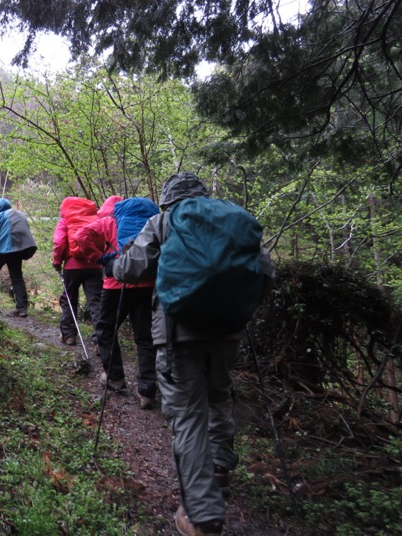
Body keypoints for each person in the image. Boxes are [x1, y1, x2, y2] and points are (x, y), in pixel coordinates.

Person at [110, 172, 275, 536]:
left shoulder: (163, 221)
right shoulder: (233, 219)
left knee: (187, 416)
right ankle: (219, 470)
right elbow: (264, 272)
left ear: (168, 199)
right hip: (227, 331)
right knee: (218, 398)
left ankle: (201, 515)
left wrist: (112, 264)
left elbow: (132, 267)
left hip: (177, 333)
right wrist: (240, 312)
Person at [75, 195, 160, 409]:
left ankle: (115, 378)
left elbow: (81, 235)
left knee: (106, 329)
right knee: (145, 337)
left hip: (116, 285)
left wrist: (100, 258)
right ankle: (147, 391)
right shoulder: (151, 222)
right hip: (148, 284)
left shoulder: (110, 221)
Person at [52, 197, 103, 345]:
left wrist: (57, 261)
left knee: (69, 299)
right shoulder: (96, 219)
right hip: (95, 265)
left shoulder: (66, 220)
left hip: (72, 266)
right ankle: (101, 341)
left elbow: (59, 242)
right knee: (96, 303)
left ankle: (69, 335)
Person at [0, 197, 37, 317]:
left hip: (1, 251)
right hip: (17, 250)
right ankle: (22, 308)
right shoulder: (20, 215)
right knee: (17, 278)